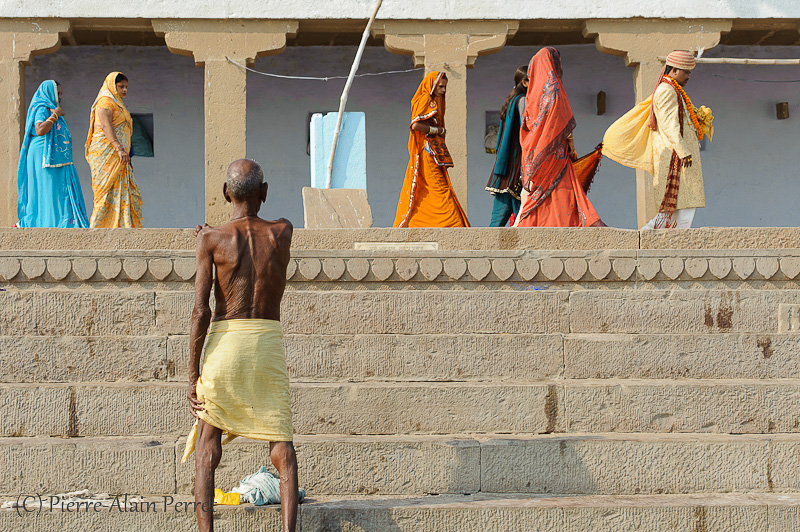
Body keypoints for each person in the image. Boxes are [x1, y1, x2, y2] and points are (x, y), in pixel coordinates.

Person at [183, 159, 298, 532]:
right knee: (281, 448)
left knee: (207, 449)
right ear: (264, 193)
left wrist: (191, 376)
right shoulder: (283, 231)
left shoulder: (212, 239)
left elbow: (201, 311)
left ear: (225, 194)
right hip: (266, 345)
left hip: (225, 344)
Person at [603, 50, 712, 229]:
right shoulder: (667, 91)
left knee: (682, 208)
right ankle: (644, 240)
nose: (689, 76)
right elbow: (670, 126)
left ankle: (667, 244)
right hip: (676, 158)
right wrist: (684, 152)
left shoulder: (673, 90)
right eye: (686, 72)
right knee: (677, 209)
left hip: (679, 157)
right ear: (674, 70)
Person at [514, 47, 605, 227]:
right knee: (564, 190)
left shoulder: (532, 94)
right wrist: (570, 142)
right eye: (558, 62)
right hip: (555, 151)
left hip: (535, 152)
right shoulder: (553, 89)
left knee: (550, 192)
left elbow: (529, 125)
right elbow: (559, 118)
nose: (560, 67)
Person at [393, 71, 470, 227]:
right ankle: (451, 222)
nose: (443, 90)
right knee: (439, 188)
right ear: (432, 85)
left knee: (431, 188)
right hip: (428, 152)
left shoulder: (433, 100)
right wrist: (437, 131)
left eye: (445, 87)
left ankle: (418, 222)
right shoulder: (427, 100)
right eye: (441, 87)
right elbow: (415, 124)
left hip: (434, 152)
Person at [15, 80, 89, 228]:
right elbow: (40, 130)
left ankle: (56, 222)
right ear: (48, 93)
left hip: (51, 156)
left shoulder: (49, 108)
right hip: (44, 156)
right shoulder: (42, 108)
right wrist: (55, 115)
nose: (60, 97)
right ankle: (49, 223)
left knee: (54, 189)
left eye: (61, 94)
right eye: (58, 93)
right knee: (49, 189)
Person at [85, 72, 143, 228]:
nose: (124, 90)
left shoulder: (118, 103)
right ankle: (98, 229)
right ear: (112, 85)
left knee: (127, 191)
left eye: (126, 87)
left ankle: (123, 226)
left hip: (120, 157)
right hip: (106, 154)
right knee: (105, 192)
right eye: (121, 87)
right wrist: (119, 149)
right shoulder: (105, 102)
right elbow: (105, 126)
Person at [486, 66, 527, 227]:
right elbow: (526, 130)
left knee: (497, 220)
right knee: (522, 218)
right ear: (524, 82)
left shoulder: (511, 100)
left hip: (505, 168)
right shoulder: (522, 100)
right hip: (517, 166)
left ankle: (487, 250)